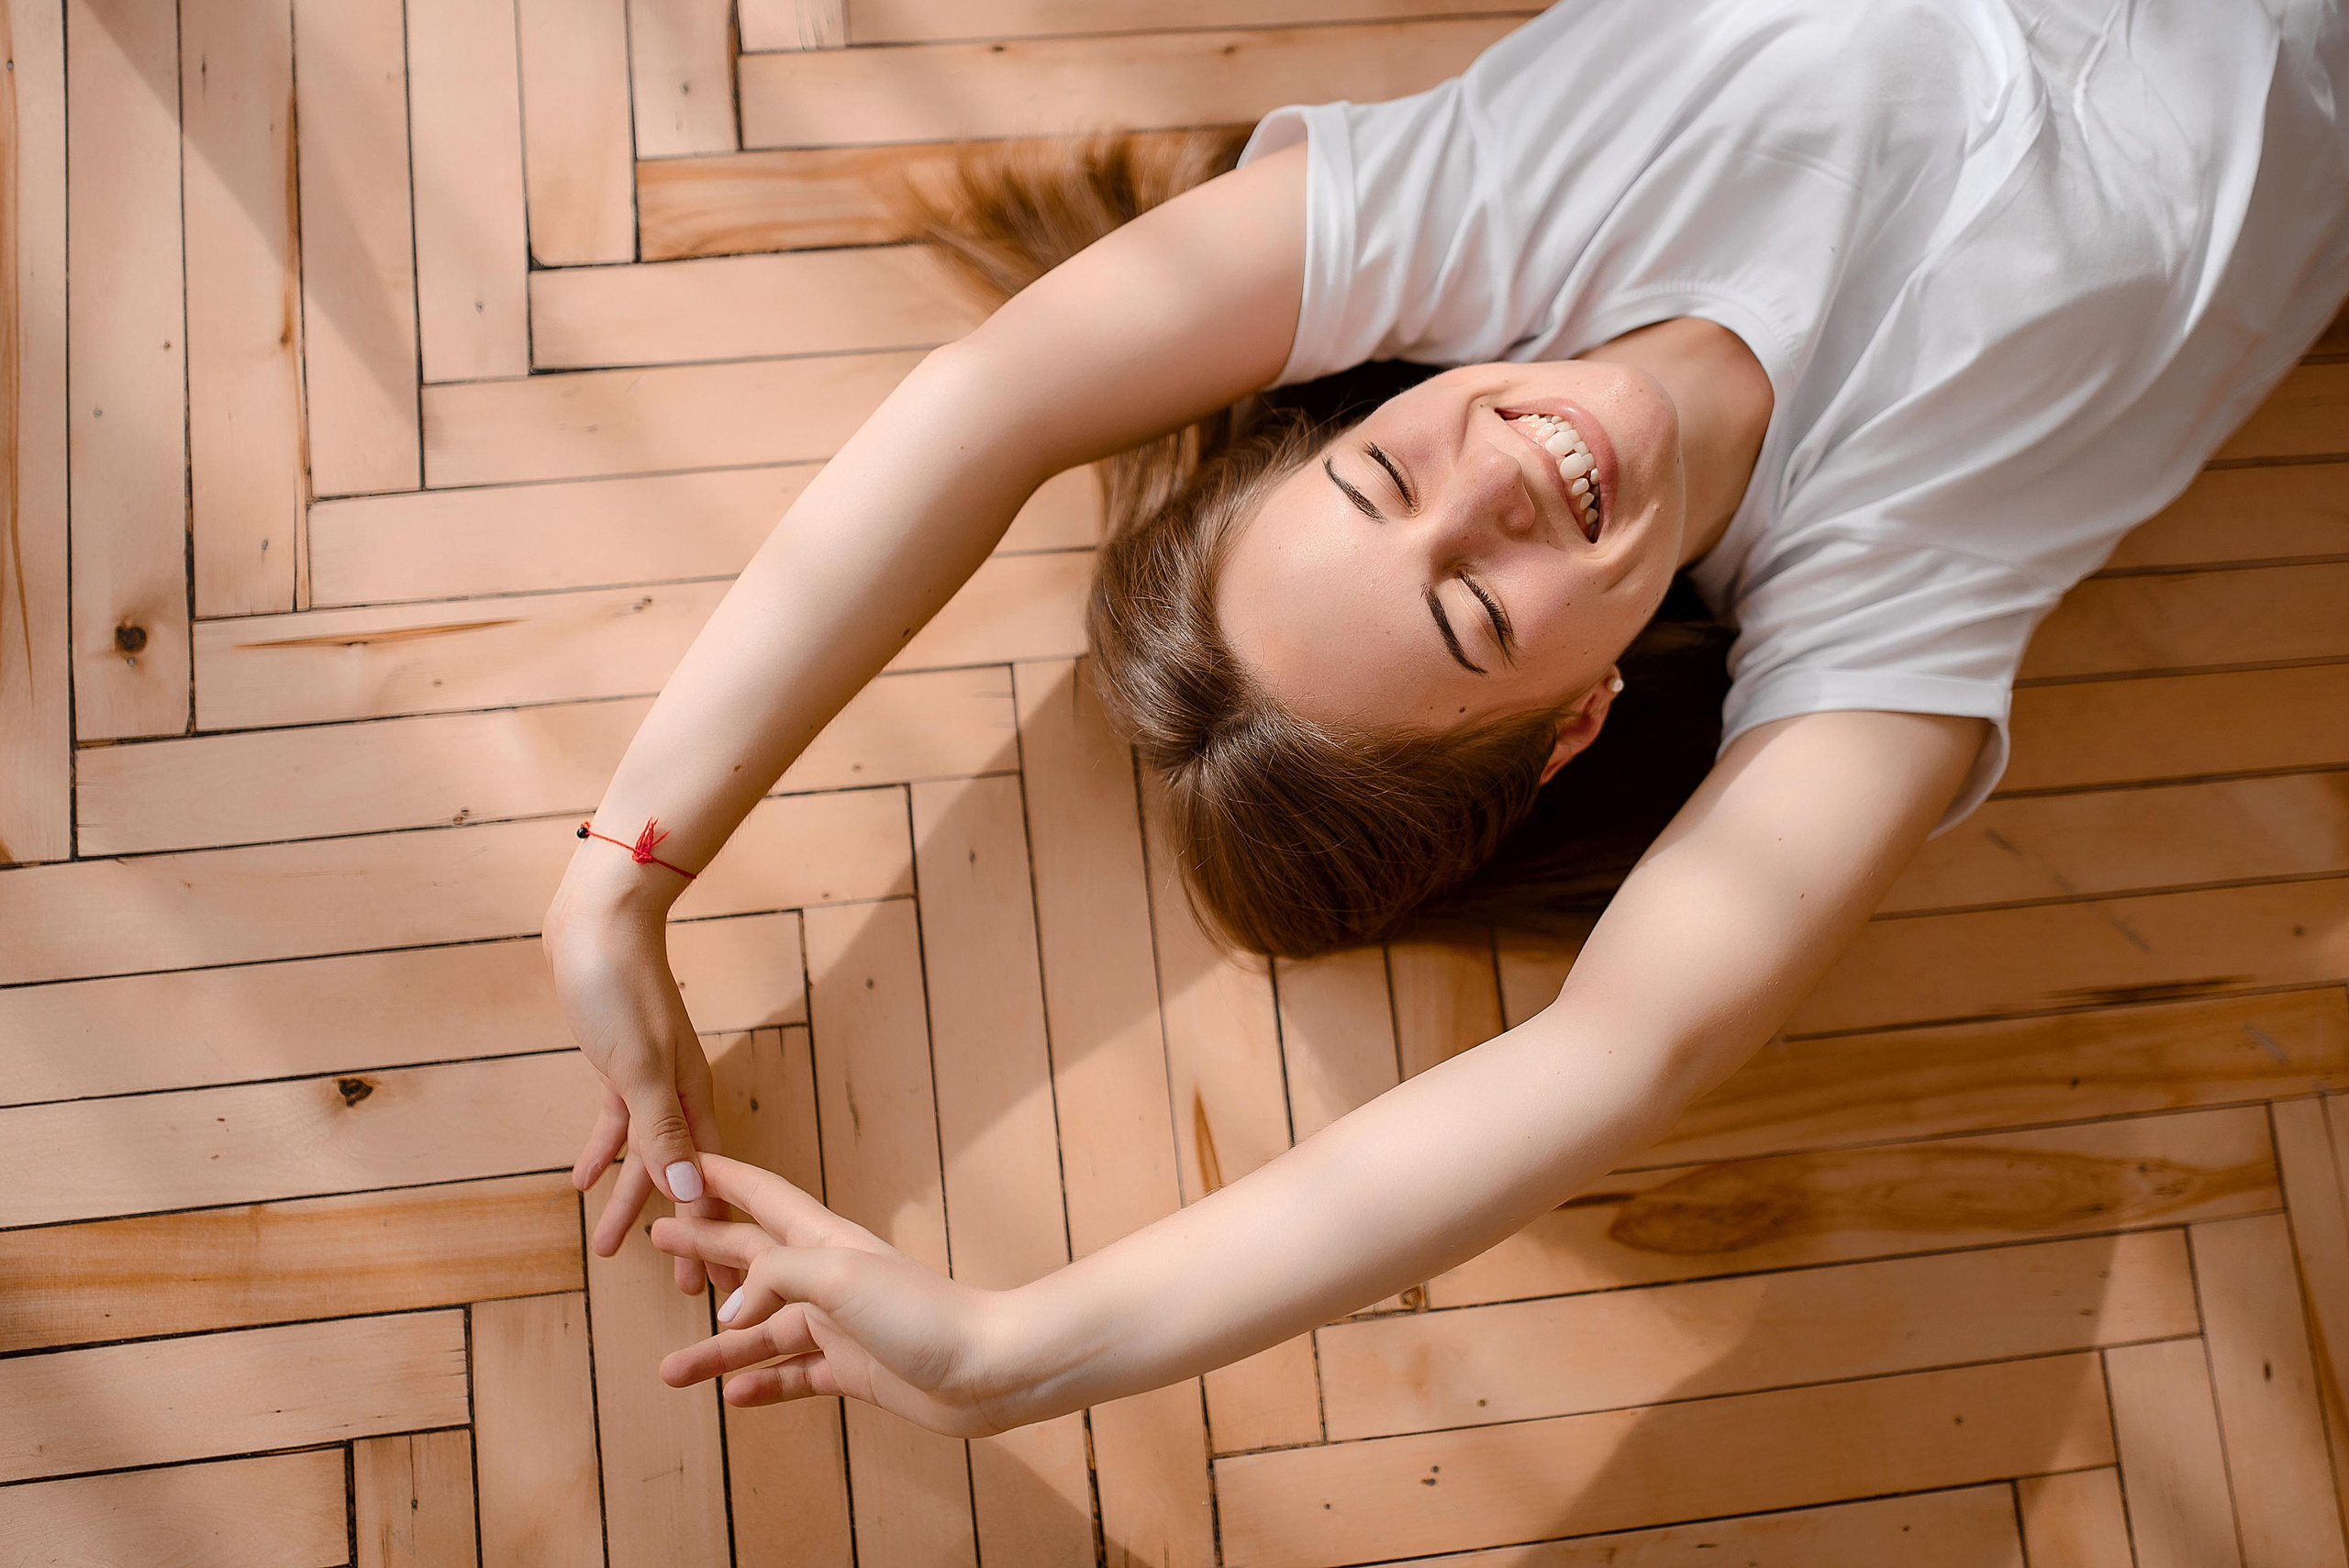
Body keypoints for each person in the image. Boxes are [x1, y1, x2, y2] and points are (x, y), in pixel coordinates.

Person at [541, 0, 2349, 1436]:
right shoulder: (1893, 584)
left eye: (1385, 467)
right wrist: (1011, 1351)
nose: (1493, 474)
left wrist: (622, 870)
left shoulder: (1495, 206)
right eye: (1476, 609)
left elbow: (990, 399)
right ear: (1575, 721)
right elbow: (1607, 1059)